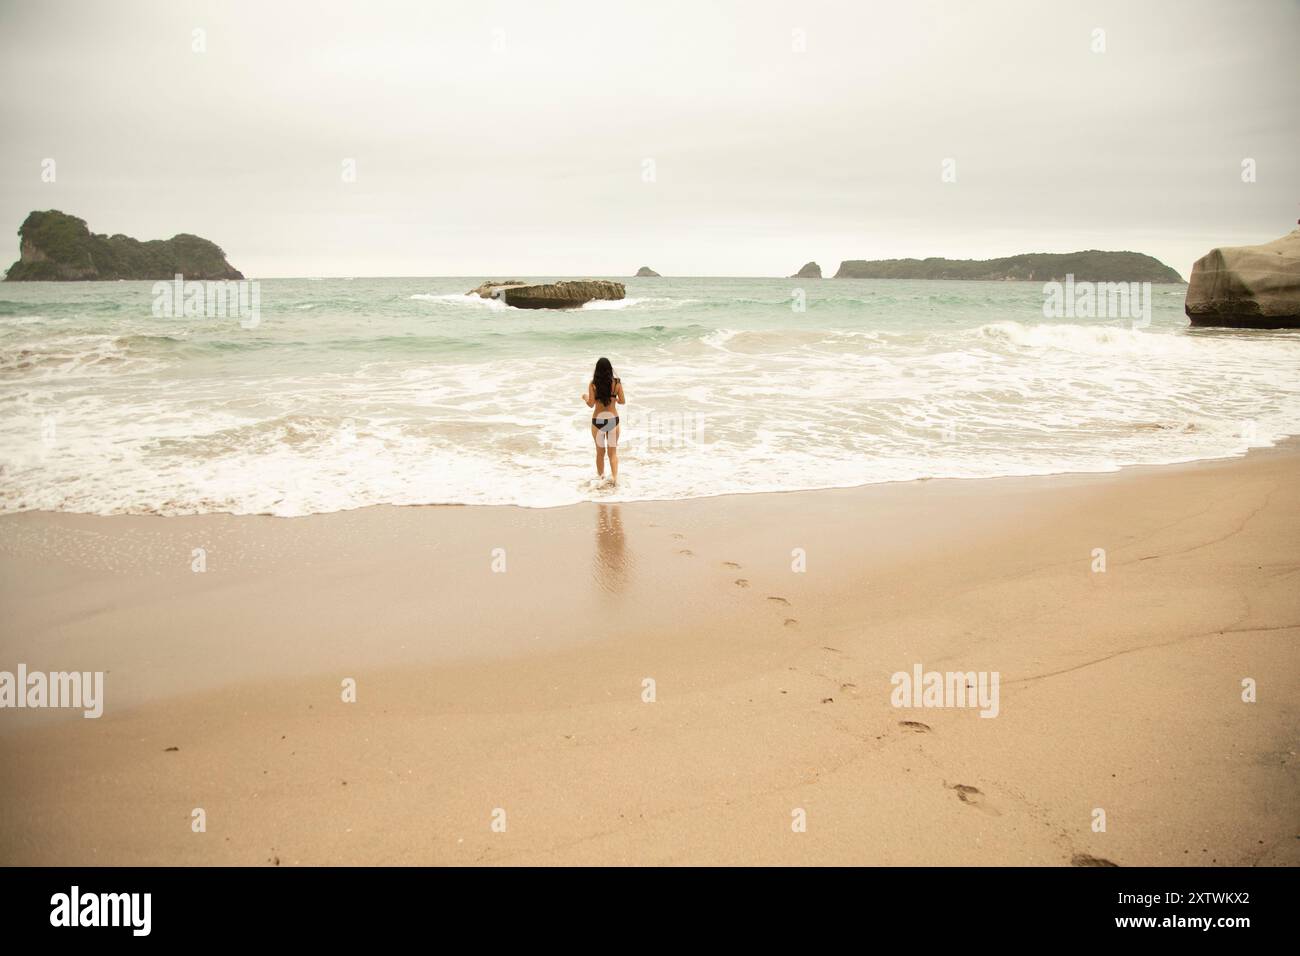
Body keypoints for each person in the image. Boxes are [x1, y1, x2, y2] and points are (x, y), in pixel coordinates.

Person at [582, 357, 625, 483]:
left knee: (600, 453)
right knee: (612, 453)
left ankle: (601, 480)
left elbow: (591, 404)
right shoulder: (616, 383)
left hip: (598, 422)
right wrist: (615, 399)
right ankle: (615, 480)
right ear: (610, 369)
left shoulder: (593, 384)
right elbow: (622, 401)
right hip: (612, 421)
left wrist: (585, 397)